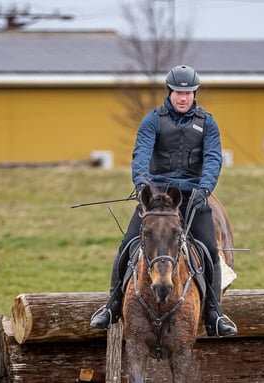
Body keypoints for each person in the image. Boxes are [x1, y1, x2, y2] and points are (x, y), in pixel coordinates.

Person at [90, 64, 237, 337]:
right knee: (128, 244)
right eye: (179, 93)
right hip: (158, 199)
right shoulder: (153, 120)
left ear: (195, 94)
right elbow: (141, 155)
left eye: (189, 93)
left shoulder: (208, 123)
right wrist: (143, 186)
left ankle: (214, 313)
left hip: (193, 196)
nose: (183, 98)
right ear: (170, 93)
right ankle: (111, 305)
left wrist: (204, 190)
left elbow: (213, 159)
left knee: (207, 249)